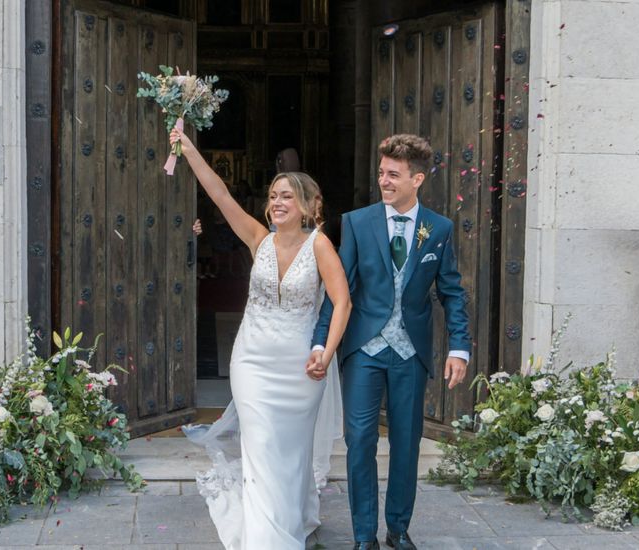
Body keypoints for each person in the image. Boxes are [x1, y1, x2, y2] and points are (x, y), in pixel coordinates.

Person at [170, 127, 351, 549]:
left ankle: (291, 517)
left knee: (290, 454)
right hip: (252, 362)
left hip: (301, 369)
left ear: (308, 204)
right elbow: (219, 195)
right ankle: (268, 540)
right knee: (262, 446)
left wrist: (325, 354)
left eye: (287, 196)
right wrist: (188, 146)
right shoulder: (258, 239)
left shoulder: (320, 246)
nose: (277, 203)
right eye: (273, 196)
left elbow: (342, 303)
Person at [309, 134, 472, 550]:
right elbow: (338, 291)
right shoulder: (357, 223)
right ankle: (364, 536)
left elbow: (451, 292)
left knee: (406, 441)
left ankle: (398, 529)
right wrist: (319, 344)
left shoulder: (439, 228)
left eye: (393, 175)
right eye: (382, 173)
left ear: (417, 178)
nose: (384, 181)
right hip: (363, 348)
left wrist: (459, 347)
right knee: (359, 440)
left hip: (410, 352)